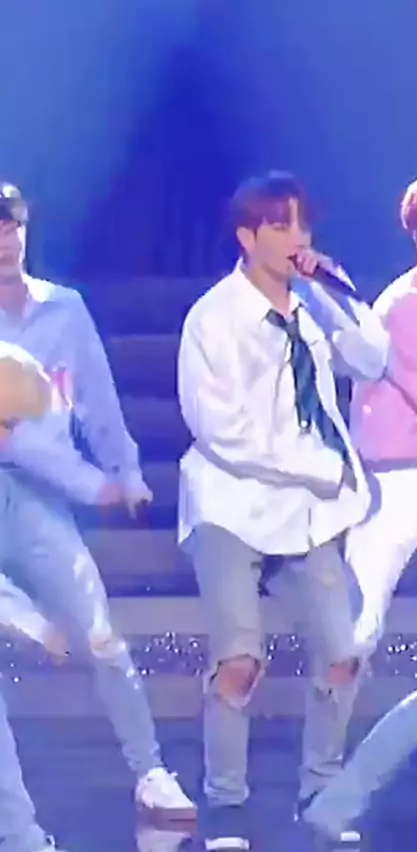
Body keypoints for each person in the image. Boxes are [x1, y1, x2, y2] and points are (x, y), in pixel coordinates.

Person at [177, 170, 390, 851]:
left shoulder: (313, 304)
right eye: (281, 224)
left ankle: (320, 791)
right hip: (230, 503)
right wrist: (314, 467)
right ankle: (225, 804)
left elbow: (373, 360)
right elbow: (220, 430)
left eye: (302, 222)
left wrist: (334, 289)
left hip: (307, 510)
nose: (297, 236)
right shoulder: (212, 318)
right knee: (240, 659)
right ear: (248, 237)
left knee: (343, 653)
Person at [0, 182, 196, 852]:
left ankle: (151, 772)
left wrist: (127, 472)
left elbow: (97, 401)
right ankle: (21, 834)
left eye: (11, 226)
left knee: (100, 633)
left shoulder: (64, 310)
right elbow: (12, 440)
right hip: (30, 480)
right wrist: (96, 486)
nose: (4, 241)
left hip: (39, 503)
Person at [303, 170, 417, 845]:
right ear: (416, 232)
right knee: (354, 635)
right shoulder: (401, 305)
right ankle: (318, 782)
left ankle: (334, 802)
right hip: (398, 480)